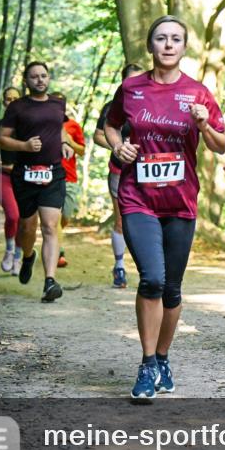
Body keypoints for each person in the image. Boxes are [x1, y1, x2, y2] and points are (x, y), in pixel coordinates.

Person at [103, 15, 225, 400]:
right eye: (161, 38)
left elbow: (221, 145)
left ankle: (162, 356)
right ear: (150, 45)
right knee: (152, 279)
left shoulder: (198, 92)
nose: (168, 45)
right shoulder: (131, 88)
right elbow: (111, 125)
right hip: (138, 196)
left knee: (172, 288)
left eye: (175, 39)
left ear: (184, 47)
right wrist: (118, 147)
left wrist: (204, 125)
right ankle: (146, 364)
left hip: (180, 200)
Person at [0, 62, 75, 303]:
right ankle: (28, 256)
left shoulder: (57, 104)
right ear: (26, 81)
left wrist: (65, 143)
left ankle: (50, 281)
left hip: (53, 173)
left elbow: (60, 129)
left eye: (43, 75)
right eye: (34, 77)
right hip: (25, 174)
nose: (40, 80)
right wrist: (24, 146)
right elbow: (1, 139)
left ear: (48, 78)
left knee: (50, 226)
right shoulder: (18, 107)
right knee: (27, 228)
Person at [94, 63, 146, 288]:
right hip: (120, 171)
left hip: (149, 172)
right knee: (121, 220)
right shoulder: (113, 106)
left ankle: (150, 268)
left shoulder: (154, 102)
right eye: (130, 80)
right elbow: (98, 135)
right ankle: (119, 267)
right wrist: (118, 148)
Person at [0, 86, 23, 274]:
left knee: (24, 219)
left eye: (16, 99)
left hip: (25, 178)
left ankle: (18, 256)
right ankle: (9, 251)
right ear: (4, 102)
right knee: (13, 216)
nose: (12, 102)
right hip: (4, 177)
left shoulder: (28, 125)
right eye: (8, 99)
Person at [57, 105, 86, 268]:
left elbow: (82, 151)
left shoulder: (73, 125)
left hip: (69, 178)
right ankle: (58, 252)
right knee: (54, 218)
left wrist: (69, 141)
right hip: (50, 177)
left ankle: (52, 237)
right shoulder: (44, 123)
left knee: (65, 216)